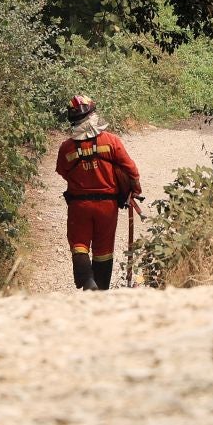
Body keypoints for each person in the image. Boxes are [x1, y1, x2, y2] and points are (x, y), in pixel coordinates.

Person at [55, 95, 141, 291]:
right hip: (107, 206)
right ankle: (100, 291)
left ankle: (88, 282)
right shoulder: (111, 141)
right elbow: (131, 170)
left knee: (79, 244)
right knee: (103, 250)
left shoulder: (66, 148)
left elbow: (63, 172)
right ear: (93, 114)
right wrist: (134, 190)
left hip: (79, 206)